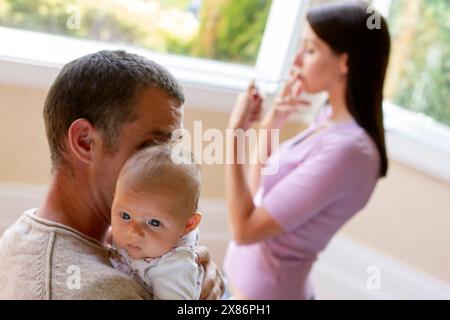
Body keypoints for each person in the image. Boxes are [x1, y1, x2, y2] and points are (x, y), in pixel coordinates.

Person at [0, 50, 223, 299]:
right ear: (85, 142)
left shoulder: (24, 231)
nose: (167, 164)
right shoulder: (97, 291)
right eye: (153, 145)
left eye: (173, 147)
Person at [224, 0, 391, 299]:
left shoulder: (350, 150)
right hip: (239, 287)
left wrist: (235, 136)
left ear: (345, 62)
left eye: (311, 50)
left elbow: (245, 229)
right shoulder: (328, 121)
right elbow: (260, 198)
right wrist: (270, 124)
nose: (297, 60)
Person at [108, 145, 203, 300]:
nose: (133, 232)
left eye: (154, 222)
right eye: (125, 216)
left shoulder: (174, 268)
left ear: (188, 225)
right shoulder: (124, 234)